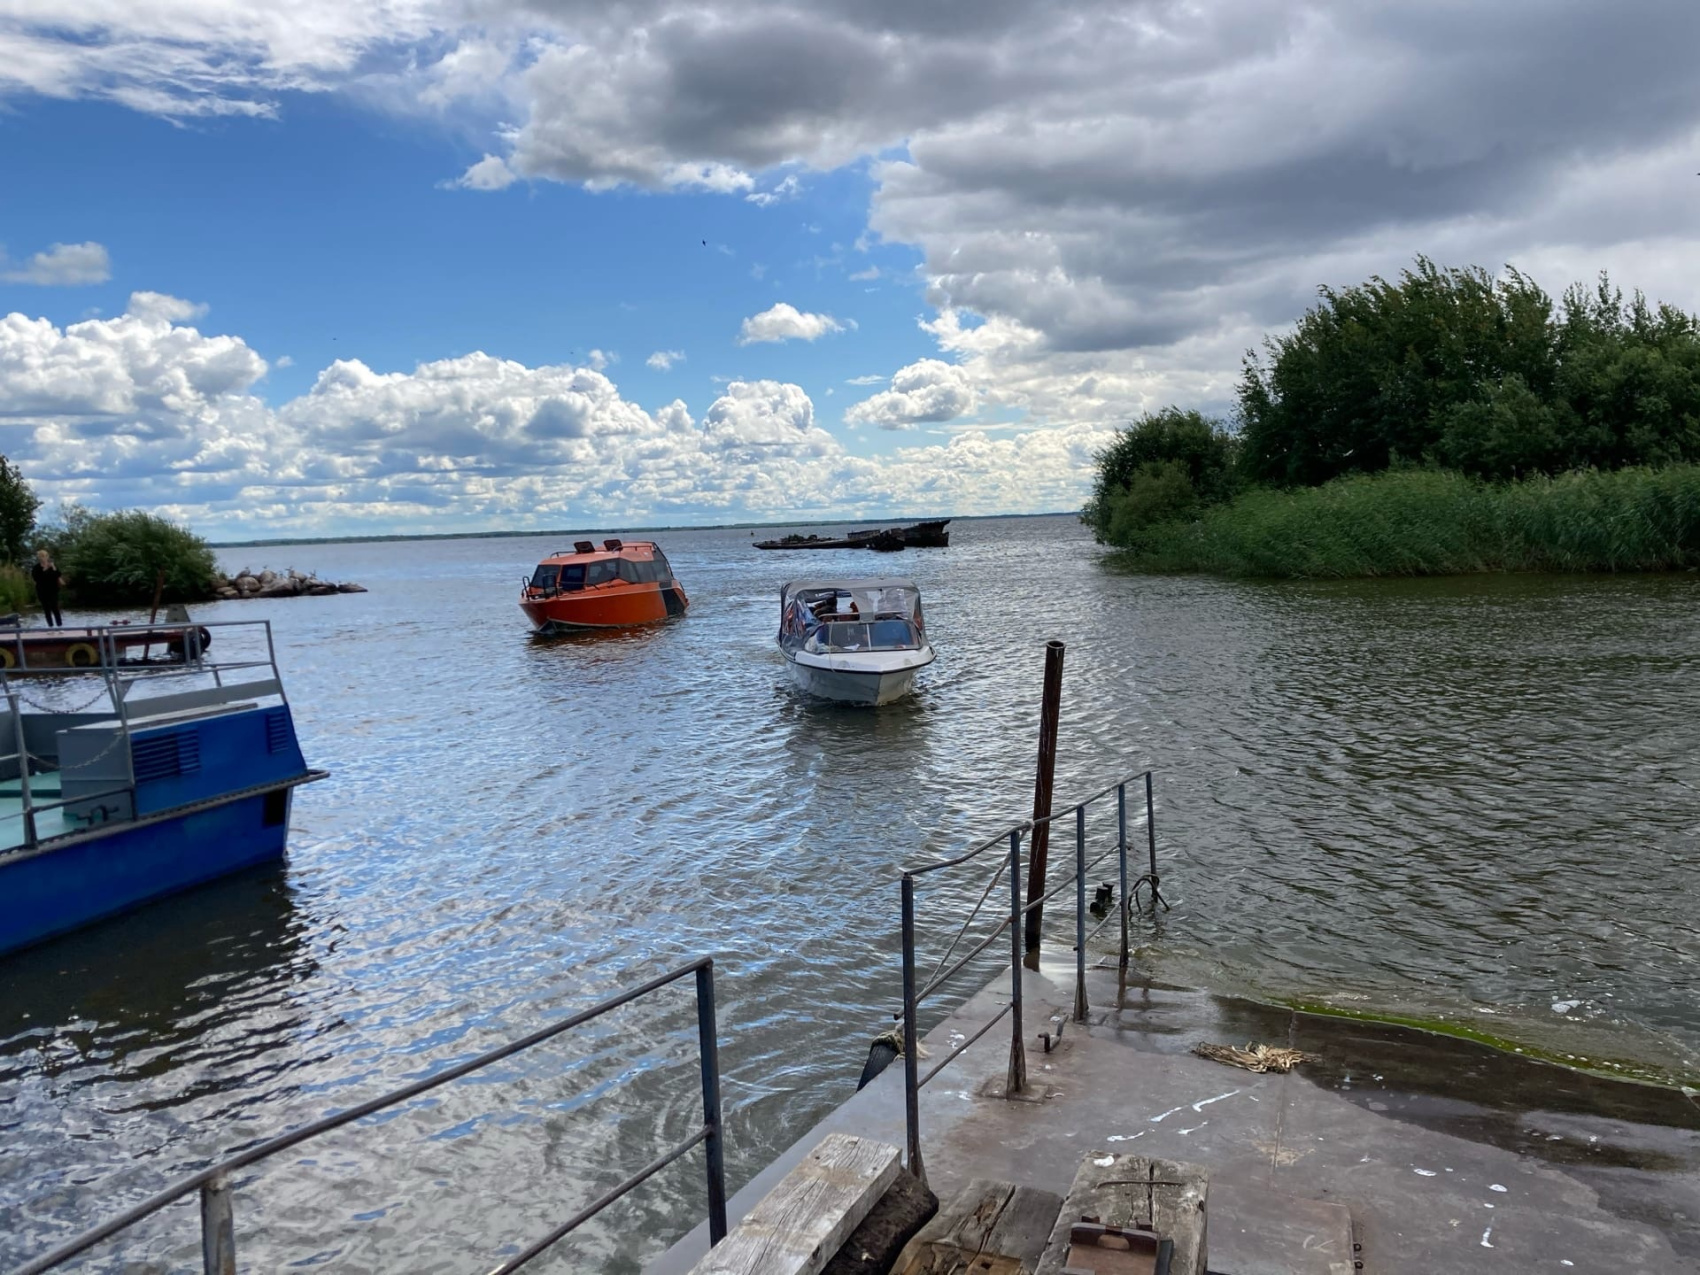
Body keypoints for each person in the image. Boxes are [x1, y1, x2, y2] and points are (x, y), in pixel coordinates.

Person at [31, 549, 65, 627]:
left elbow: (58, 574)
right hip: (42, 591)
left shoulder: (52, 565)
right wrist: (45, 568)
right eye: (42, 556)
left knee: (55, 608)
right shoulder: (36, 568)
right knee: (47, 609)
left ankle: (60, 626)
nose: (44, 558)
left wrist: (53, 567)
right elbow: (36, 578)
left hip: (53, 590)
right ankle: (50, 626)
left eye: (46, 556)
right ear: (39, 558)